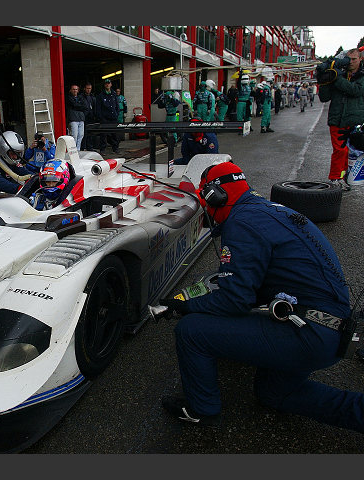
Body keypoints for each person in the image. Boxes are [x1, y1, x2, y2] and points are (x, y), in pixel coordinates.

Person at [159, 162, 363, 434]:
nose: (206, 211)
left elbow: (235, 300)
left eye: (205, 202)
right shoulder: (265, 211)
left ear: (215, 196)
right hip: (332, 330)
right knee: (272, 393)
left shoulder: (241, 223)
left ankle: (201, 410)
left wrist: (184, 306)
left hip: (309, 331)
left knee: (192, 331)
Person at [319, 47, 364, 191]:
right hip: (337, 119)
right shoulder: (339, 73)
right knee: (341, 150)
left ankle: (343, 177)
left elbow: (355, 90)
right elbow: (324, 98)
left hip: (355, 120)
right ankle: (336, 178)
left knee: (351, 152)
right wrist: (324, 80)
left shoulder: (361, 76)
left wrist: (336, 78)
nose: (350, 62)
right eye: (348, 59)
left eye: (353, 59)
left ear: (360, 59)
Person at [95, 78, 120, 154]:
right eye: (106, 83)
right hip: (104, 119)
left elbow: (117, 106)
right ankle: (102, 149)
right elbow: (98, 108)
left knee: (114, 134)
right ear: (104, 85)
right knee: (103, 134)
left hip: (113, 118)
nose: (107, 84)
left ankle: (115, 148)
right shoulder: (101, 96)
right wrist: (100, 117)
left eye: (109, 83)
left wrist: (116, 114)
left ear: (111, 84)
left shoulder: (114, 94)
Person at [66, 84, 88, 151]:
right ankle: (72, 150)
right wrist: (80, 106)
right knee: (74, 136)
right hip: (73, 119)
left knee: (81, 135)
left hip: (81, 119)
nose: (75, 91)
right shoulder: (68, 98)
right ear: (70, 90)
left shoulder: (81, 98)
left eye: (76, 89)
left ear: (78, 90)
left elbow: (85, 106)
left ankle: (77, 150)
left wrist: (77, 107)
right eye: (73, 89)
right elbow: (74, 105)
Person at [80, 82, 98, 151]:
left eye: (90, 88)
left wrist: (95, 115)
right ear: (84, 89)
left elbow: (95, 107)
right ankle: (83, 147)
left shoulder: (93, 97)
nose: (88, 90)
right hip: (84, 117)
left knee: (90, 133)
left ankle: (90, 147)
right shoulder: (81, 97)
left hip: (91, 117)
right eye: (87, 88)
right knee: (83, 133)